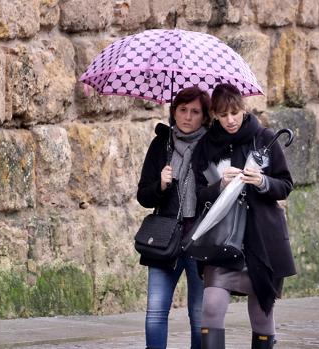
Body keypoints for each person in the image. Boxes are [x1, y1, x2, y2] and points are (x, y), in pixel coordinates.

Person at [191, 83, 297, 349]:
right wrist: (219, 187)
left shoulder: (264, 139)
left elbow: (285, 184)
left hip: (262, 239)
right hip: (221, 240)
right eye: (223, 114)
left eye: (235, 113)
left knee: (262, 313)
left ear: (243, 109)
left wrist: (262, 181)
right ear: (213, 113)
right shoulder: (205, 146)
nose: (230, 120)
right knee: (212, 305)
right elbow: (197, 194)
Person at [136, 86, 212, 349]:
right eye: (182, 110)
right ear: (173, 111)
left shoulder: (212, 146)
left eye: (195, 111)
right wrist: (160, 184)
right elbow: (144, 196)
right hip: (165, 238)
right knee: (156, 311)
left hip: (202, 239)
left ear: (205, 116)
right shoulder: (161, 144)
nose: (188, 117)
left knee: (200, 314)